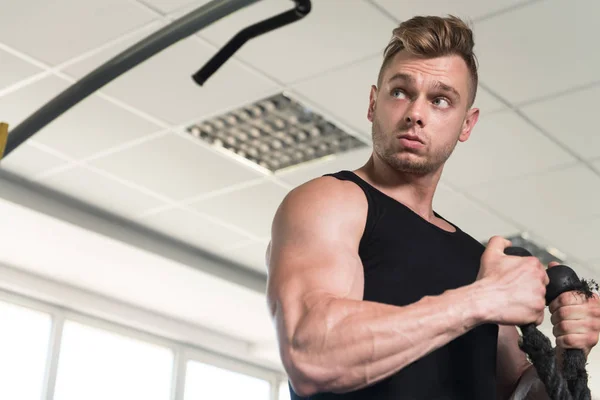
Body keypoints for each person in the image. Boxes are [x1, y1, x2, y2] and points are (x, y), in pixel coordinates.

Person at [265, 15, 600, 400]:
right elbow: (311, 354)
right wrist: (480, 299)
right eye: (400, 92)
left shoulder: (480, 260)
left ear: (466, 124)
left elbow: (515, 391)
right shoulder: (331, 201)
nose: (415, 113)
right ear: (373, 104)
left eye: (440, 100)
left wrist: (566, 354)